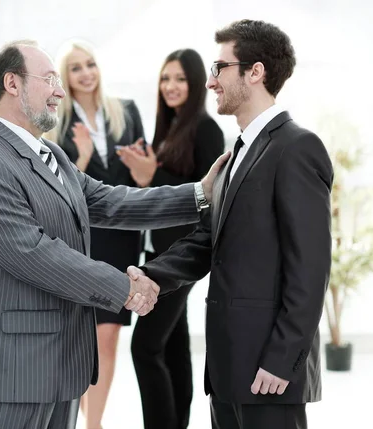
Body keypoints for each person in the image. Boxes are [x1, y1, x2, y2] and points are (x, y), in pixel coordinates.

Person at [0, 40, 229, 429]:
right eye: (49, 79)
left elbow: (109, 202)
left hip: (59, 367)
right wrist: (126, 288)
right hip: (11, 371)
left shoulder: (51, 155)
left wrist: (200, 194)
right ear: (12, 84)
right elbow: (35, 254)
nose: (60, 91)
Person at [129, 20, 333, 429]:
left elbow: (310, 269)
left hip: (269, 372)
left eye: (218, 67)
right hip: (228, 370)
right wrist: (150, 276)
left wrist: (282, 360)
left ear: (254, 72)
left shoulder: (297, 147)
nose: (210, 82)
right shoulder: (234, 154)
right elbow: (209, 239)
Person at [118, 48, 224, 429]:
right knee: (172, 347)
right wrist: (141, 171)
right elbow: (157, 193)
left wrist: (152, 176)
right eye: (166, 78)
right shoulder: (168, 128)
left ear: (196, 83)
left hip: (181, 258)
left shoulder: (205, 128)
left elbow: (207, 198)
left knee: (144, 349)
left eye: (180, 78)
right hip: (161, 253)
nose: (171, 86)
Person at [44, 39, 146, 429]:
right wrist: (82, 156)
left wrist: (142, 167)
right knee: (81, 337)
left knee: (108, 337)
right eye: (75, 68)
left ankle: (94, 423)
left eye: (90, 64)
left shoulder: (127, 112)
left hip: (121, 239)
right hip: (83, 240)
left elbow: (141, 179)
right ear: (65, 78)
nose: (85, 73)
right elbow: (57, 186)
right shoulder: (56, 122)